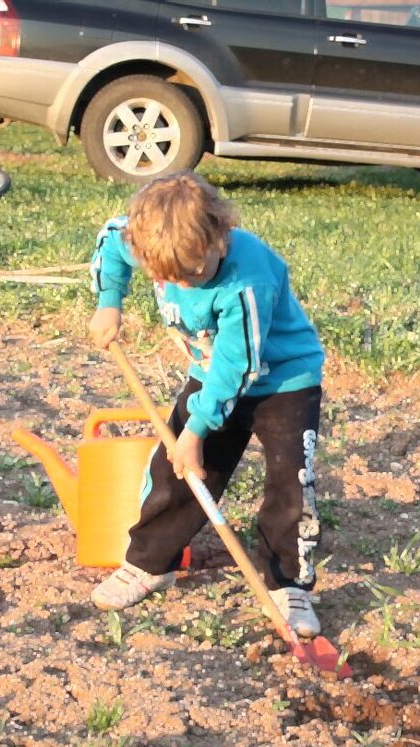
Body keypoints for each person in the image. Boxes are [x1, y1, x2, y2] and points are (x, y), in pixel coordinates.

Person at [87, 171, 326, 637]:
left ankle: (287, 584)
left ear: (220, 235)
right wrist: (109, 302)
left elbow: (238, 366)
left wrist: (196, 431)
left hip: (281, 379)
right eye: (168, 278)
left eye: (194, 273)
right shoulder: (145, 242)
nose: (185, 284)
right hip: (210, 374)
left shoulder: (247, 281)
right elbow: (109, 241)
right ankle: (150, 562)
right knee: (175, 474)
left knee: (291, 484)